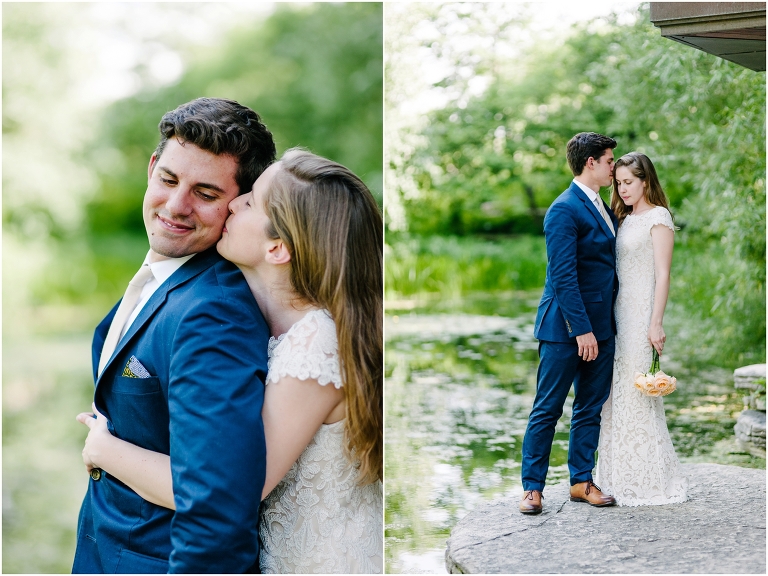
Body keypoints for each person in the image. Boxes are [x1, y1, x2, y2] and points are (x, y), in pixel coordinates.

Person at [77, 149, 384, 573]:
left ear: (277, 248)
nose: (234, 203)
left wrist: (105, 449)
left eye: (251, 201)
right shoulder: (273, 323)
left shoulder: (315, 345)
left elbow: (232, 490)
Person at [72, 97, 277, 573]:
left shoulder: (216, 312)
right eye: (168, 180)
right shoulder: (165, 278)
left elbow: (217, 513)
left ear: (238, 205)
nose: (176, 206)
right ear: (152, 169)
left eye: (205, 193)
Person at [520, 132, 619, 514]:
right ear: (591, 162)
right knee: (548, 408)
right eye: (609, 161)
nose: (614, 167)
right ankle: (532, 488)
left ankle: (581, 481)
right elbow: (563, 276)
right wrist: (581, 330)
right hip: (564, 329)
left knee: (589, 407)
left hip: (603, 326)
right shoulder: (563, 209)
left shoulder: (603, 206)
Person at [595, 152, 688, 506]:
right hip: (616, 315)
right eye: (618, 183)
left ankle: (648, 481)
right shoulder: (622, 217)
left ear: (645, 181)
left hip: (641, 315)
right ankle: (616, 477)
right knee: (615, 394)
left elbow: (663, 274)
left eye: (629, 182)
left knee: (638, 393)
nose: (622, 189)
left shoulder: (658, 217)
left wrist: (656, 322)